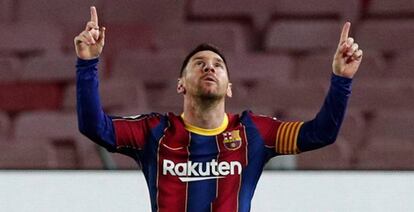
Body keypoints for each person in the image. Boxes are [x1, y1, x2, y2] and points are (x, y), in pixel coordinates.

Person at [75, 6, 363, 212]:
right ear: (180, 85)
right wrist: (87, 63)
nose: (209, 67)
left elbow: (322, 133)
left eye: (218, 65)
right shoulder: (154, 132)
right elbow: (94, 126)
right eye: (199, 63)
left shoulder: (254, 133)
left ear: (229, 87)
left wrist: (342, 79)